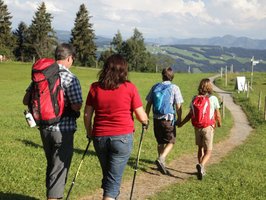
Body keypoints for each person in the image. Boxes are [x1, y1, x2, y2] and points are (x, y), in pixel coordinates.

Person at [84, 54, 148, 200]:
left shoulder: (95, 88)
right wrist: (146, 122)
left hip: (99, 137)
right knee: (112, 182)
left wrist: (89, 132)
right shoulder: (129, 88)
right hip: (122, 138)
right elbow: (141, 115)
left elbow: (87, 115)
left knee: (109, 176)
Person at [23, 43, 83, 199]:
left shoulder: (42, 74)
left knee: (52, 166)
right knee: (59, 168)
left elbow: (25, 100)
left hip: (43, 128)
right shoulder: (70, 77)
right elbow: (77, 105)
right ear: (69, 58)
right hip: (63, 130)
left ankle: (55, 196)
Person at [178, 78, 221, 180]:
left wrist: (181, 124)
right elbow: (217, 114)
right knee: (209, 151)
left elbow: (190, 114)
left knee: (200, 148)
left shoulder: (194, 98)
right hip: (208, 127)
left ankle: (201, 168)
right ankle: (201, 165)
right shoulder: (213, 99)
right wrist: (219, 123)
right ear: (210, 87)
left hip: (197, 127)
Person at [145, 67, 183, 174]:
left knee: (160, 141)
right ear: (172, 76)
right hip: (168, 120)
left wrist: (146, 117)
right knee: (171, 141)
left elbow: (148, 104)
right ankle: (161, 158)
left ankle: (161, 162)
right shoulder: (174, 88)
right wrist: (179, 119)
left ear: (162, 75)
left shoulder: (155, 87)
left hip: (156, 119)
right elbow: (178, 106)